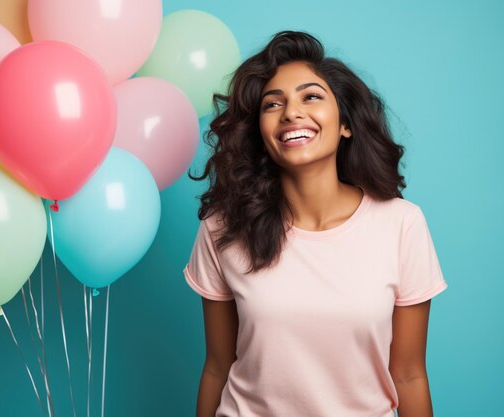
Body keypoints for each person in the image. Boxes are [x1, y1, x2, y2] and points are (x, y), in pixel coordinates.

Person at [183, 31, 448, 417]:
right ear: (261, 132)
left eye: (311, 96)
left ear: (346, 123)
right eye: (273, 104)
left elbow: (408, 375)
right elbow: (217, 368)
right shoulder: (223, 227)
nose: (291, 112)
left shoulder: (401, 225)